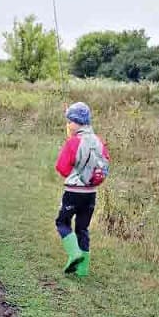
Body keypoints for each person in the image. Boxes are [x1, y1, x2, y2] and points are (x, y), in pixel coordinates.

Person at [54, 102, 109, 277]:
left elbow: (62, 168)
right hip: (91, 193)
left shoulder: (73, 142)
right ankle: (83, 270)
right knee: (82, 228)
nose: (68, 125)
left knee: (62, 222)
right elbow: (105, 163)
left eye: (70, 121)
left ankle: (74, 253)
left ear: (77, 122)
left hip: (73, 192)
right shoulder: (99, 141)